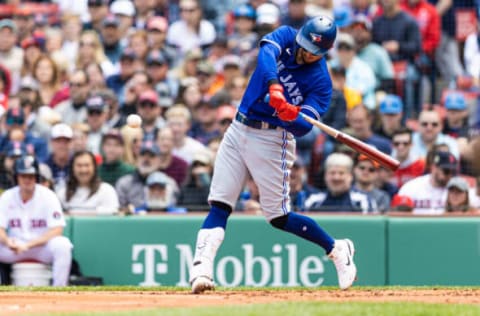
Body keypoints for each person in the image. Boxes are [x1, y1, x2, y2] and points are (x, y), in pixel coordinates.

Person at [189, 16, 357, 294]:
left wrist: (288, 113)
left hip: (271, 138)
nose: (302, 53)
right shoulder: (287, 35)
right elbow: (266, 53)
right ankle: (201, 270)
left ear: (323, 52)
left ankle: (336, 248)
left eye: (310, 52)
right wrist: (274, 86)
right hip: (239, 126)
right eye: (302, 46)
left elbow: (305, 126)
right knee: (220, 203)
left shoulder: (321, 82)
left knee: (277, 217)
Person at [0, 155, 72, 286]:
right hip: (15, 247)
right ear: (16, 177)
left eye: (31, 176)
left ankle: (60, 290)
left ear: (37, 177)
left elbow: (57, 230)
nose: (27, 180)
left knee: (63, 245)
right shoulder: (7, 196)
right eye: (23, 175)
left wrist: (28, 245)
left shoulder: (48, 195)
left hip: (41, 247)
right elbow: (0, 229)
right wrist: (7, 241)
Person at [305, 153, 374, 213]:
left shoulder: (362, 201)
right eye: (332, 173)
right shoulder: (313, 201)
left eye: (341, 173)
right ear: (325, 176)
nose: (336, 178)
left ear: (350, 176)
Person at [57, 150, 119, 215]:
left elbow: (114, 213)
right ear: (72, 168)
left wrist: (74, 213)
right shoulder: (62, 193)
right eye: (79, 165)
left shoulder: (107, 190)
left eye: (87, 165)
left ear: (94, 167)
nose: (83, 170)